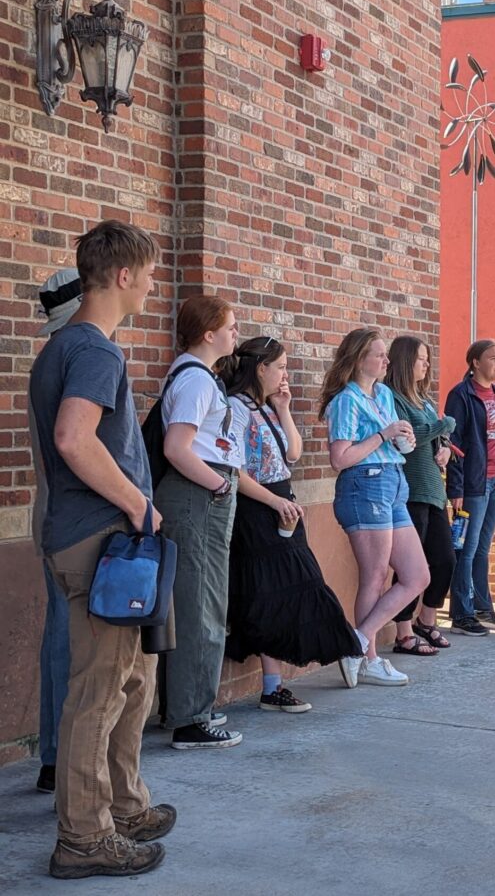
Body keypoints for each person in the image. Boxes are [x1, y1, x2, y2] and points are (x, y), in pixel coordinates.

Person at [30, 220, 172, 879]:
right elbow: (73, 438)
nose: (151, 284)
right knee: (99, 690)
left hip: (88, 537)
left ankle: (124, 806)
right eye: (147, 273)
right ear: (122, 275)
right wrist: (139, 504)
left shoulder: (67, 348)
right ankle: (84, 839)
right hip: (99, 541)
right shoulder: (94, 351)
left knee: (131, 679)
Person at [222, 336, 364, 710]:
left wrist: (284, 409)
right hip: (258, 507)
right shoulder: (235, 408)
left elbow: (294, 453)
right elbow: (233, 470)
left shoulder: (266, 407)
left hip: (284, 502)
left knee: (298, 586)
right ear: (260, 368)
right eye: (281, 367)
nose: (286, 374)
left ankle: (286, 678)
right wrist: (273, 501)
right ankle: (274, 685)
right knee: (271, 594)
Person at [158, 296, 248, 749]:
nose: (236, 333)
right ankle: (191, 718)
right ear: (208, 333)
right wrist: (218, 485)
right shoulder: (195, 379)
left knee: (204, 600)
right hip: (198, 495)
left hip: (202, 493)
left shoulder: (197, 375)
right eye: (230, 327)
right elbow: (178, 447)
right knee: (200, 604)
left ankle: (190, 707)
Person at [320, 328, 429, 685]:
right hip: (364, 483)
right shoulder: (346, 400)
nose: (386, 361)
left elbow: (394, 444)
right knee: (376, 575)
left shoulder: (382, 393)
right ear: (359, 359)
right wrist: (383, 435)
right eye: (379, 355)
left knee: (417, 575)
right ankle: (367, 657)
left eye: (385, 355)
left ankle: (358, 640)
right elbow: (340, 458)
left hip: (394, 480)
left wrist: (404, 439)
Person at [29, 269, 82, 795]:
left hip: (52, 512)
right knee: (73, 642)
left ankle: (52, 756)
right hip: (69, 519)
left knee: (60, 638)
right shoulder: (73, 357)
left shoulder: (53, 356)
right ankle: (60, 759)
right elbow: (74, 445)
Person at [384, 335, 458, 654]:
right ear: (404, 361)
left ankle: (426, 621)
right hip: (409, 490)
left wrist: (445, 452)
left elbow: (434, 440)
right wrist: (444, 426)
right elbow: (409, 440)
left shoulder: (423, 399)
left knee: (444, 559)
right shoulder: (392, 397)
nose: (426, 365)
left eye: (428, 360)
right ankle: (402, 633)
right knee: (409, 566)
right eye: (421, 359)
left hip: (433, 489)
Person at [444, 339, 495, 635]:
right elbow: (454, 443)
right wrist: (456, 488)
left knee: (483, 547)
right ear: (475, 362)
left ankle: (483, 606)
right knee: (467, 548)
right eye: (491, 358)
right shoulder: (461, 395)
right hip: (475, 483)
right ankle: (461, 614)